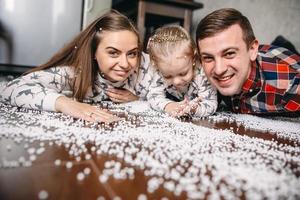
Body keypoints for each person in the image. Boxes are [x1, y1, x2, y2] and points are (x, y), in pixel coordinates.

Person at [0, 10, 154, 123]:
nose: (125, 64)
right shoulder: (74, 74)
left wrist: (138, 99)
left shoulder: (144, 66)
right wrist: (64, 103)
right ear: (94, 52)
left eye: (132, 53)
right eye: (113, 53)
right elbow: (9, 88)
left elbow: (174, 92)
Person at [196, 8, 300, 115]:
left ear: (252, 50)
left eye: (229, 53)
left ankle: (282, 43)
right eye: (208, 57)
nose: (219, 70)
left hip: (279, 57)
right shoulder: (200, 76)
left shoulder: (291, 84)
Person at [147, 25, 217, 117]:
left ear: (193, 60)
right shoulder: (160, 71)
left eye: (183, 73)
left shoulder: (202, 74)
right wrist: (168, 106)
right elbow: (153, 95)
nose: (176, 82)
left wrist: (194, 109)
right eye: (168, 76)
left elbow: (211, 103)